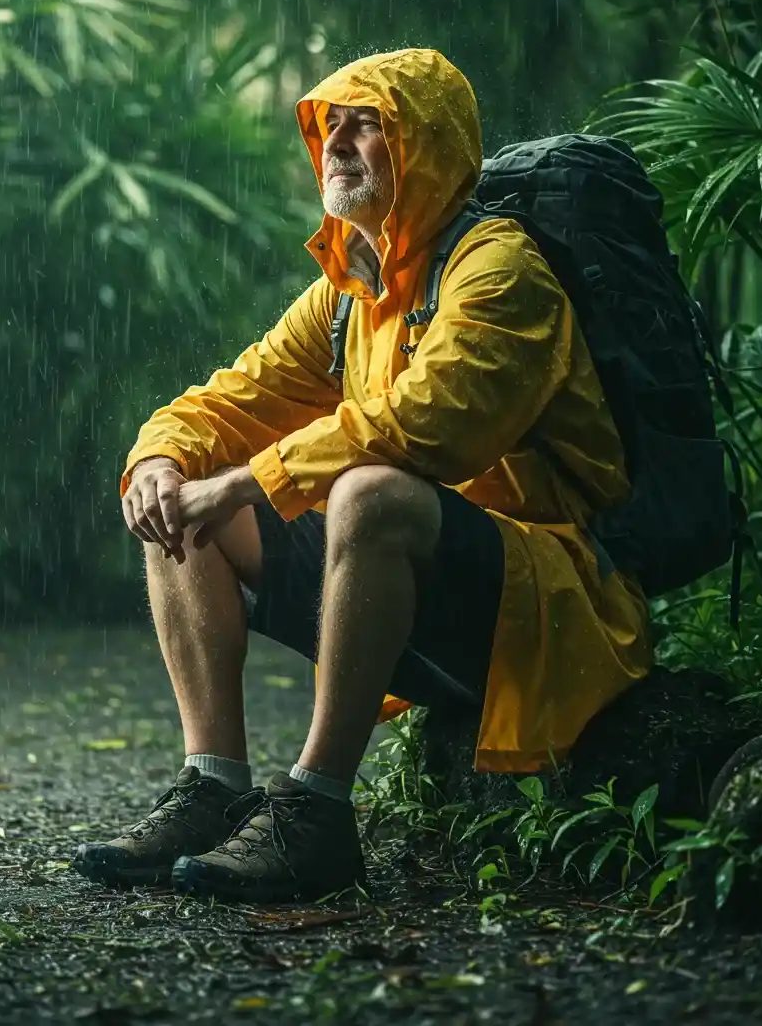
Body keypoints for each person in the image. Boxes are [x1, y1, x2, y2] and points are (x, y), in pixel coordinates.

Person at [72, 48, 651, 903]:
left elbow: (432, 425)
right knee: (180, 497)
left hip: (543, 600)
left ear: (428, 144)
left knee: (369, 491)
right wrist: (161, 459)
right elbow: (232, 396)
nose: (338, 143)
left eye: (367, 124)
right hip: (410, 599)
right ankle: (213, 787)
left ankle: (316, 812)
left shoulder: (500, 270)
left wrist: (245, 481)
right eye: (330, 125)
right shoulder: (350, 287)